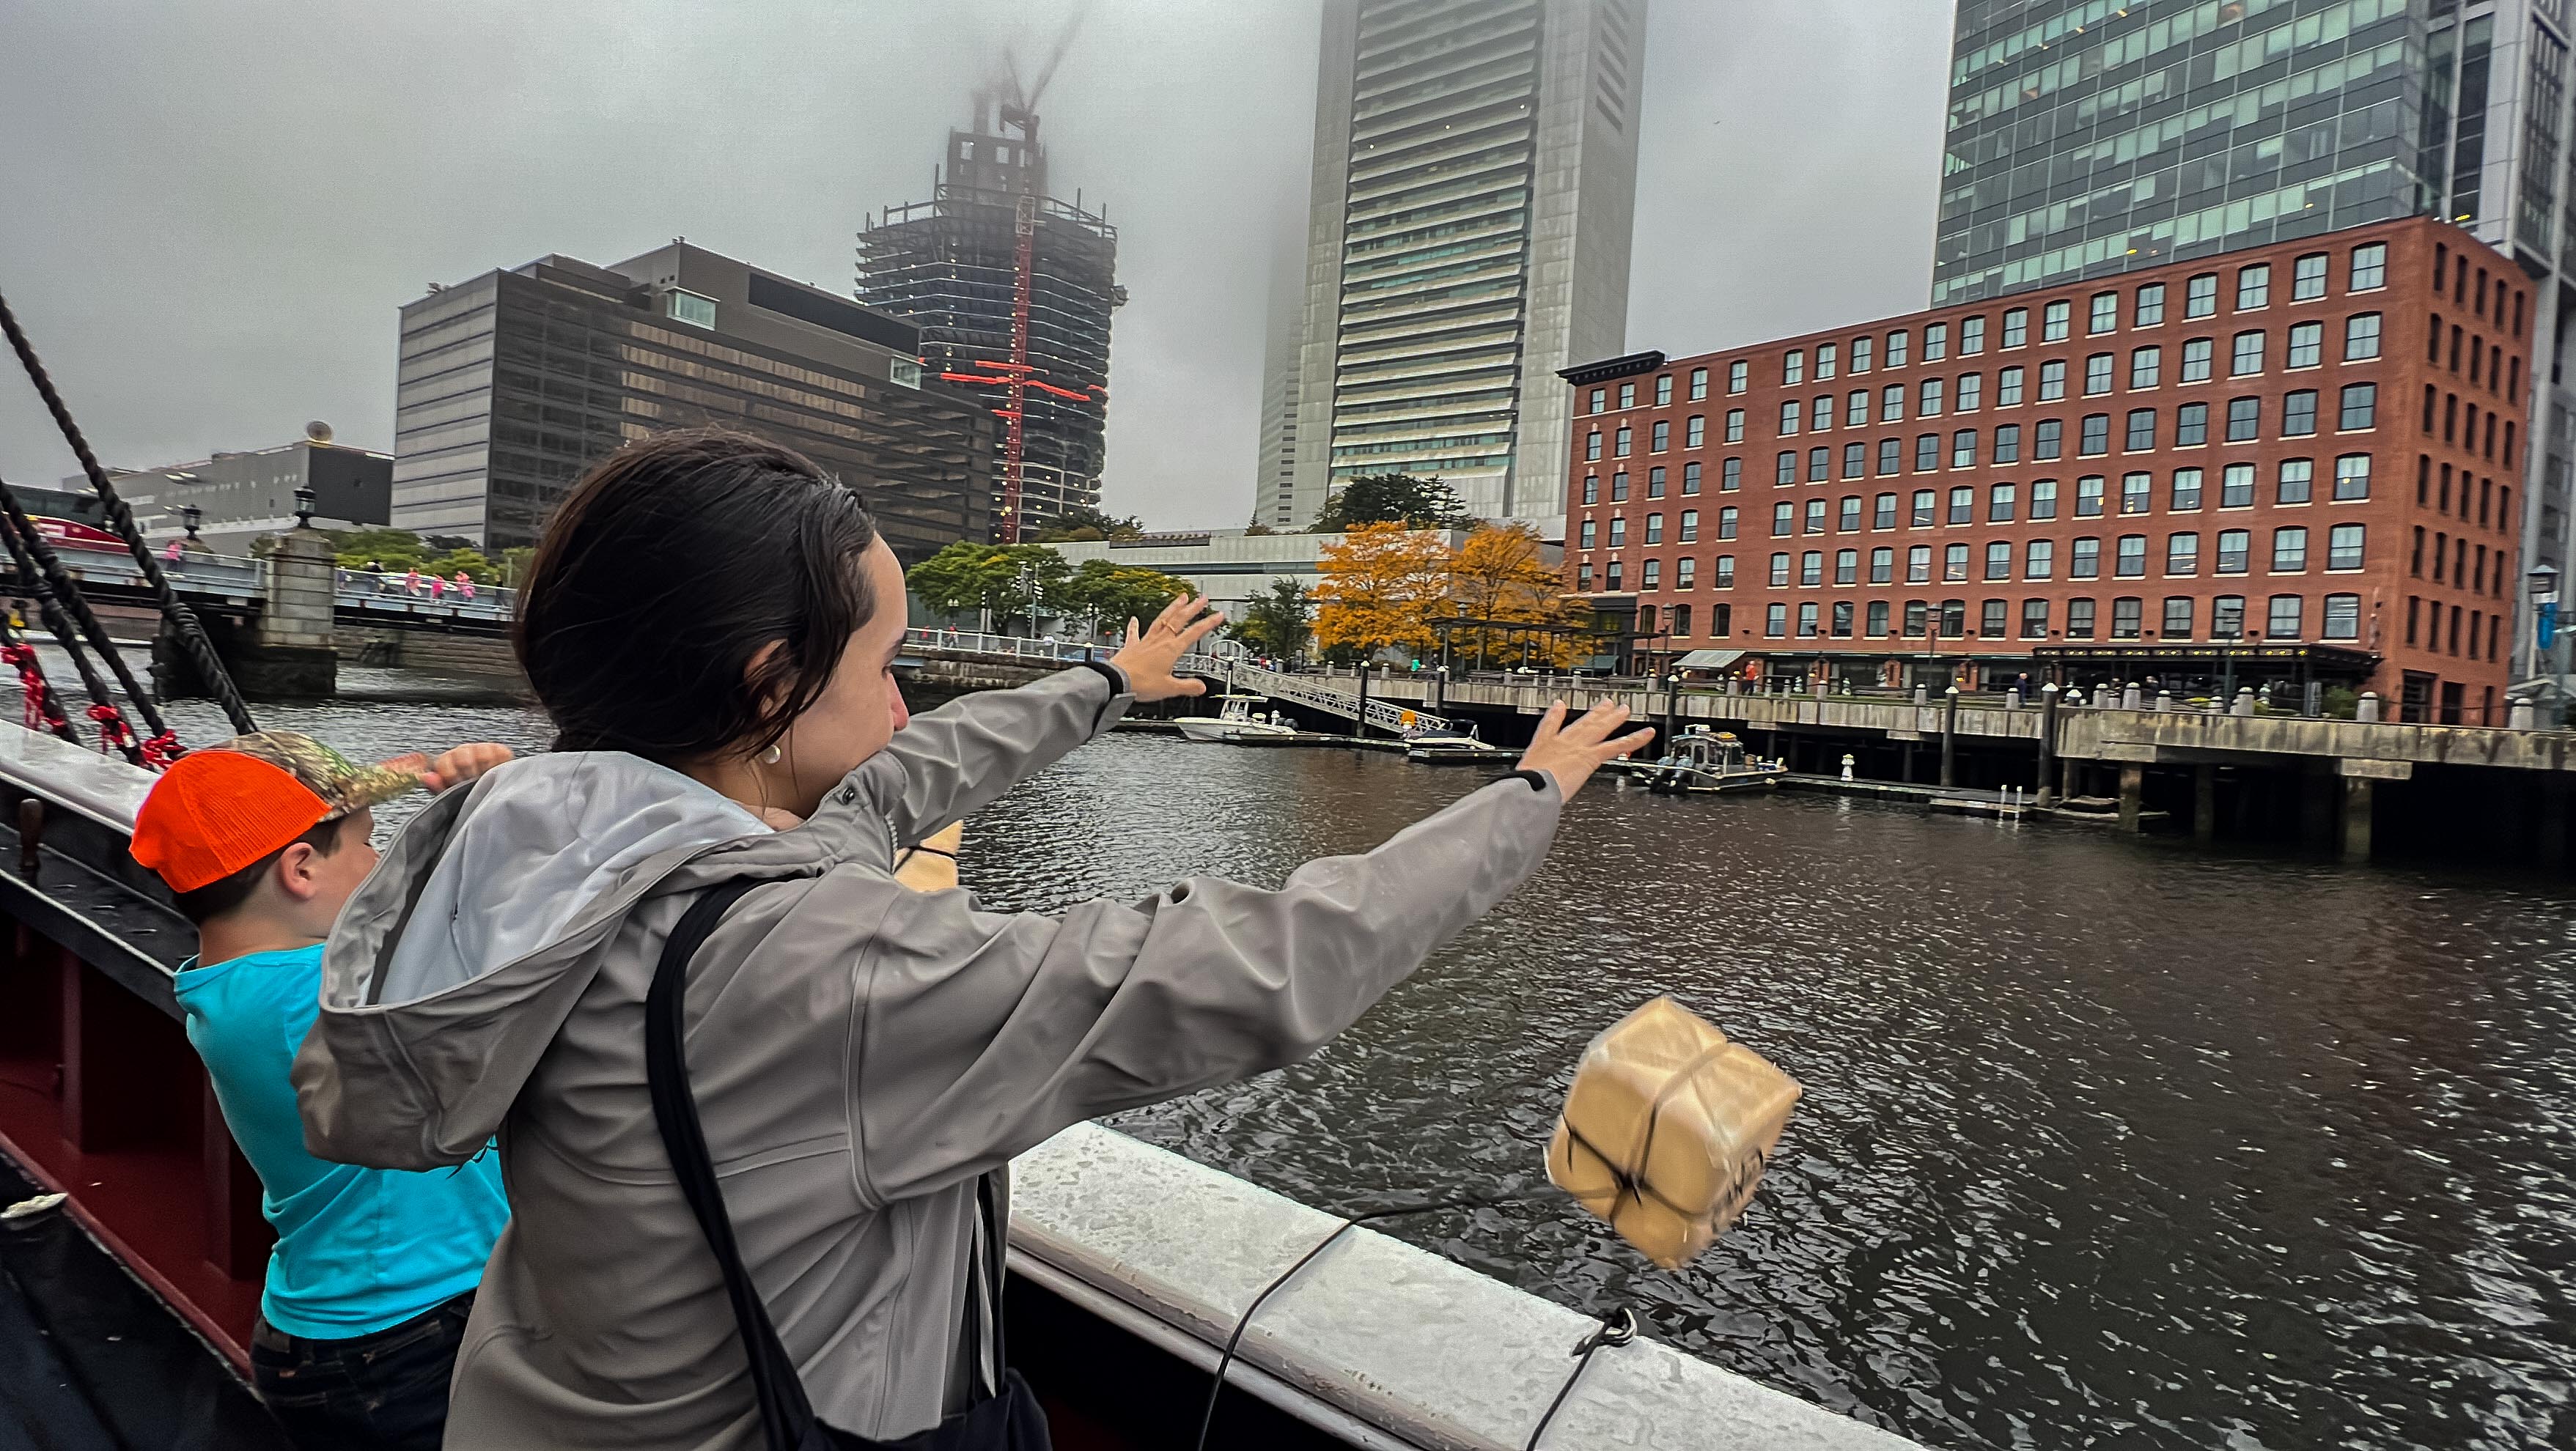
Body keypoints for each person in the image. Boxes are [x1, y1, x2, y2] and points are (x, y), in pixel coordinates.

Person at [291, 428, 1649, 1450]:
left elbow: (887, 783)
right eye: (885, 662)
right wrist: (1522, 804)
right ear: (771, 683)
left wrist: (1103, 684)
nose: (901, 700)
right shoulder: (814, 964)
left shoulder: (530, 839)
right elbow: (1244, 964)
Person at [128, 731, 517, 1451]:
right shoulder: (309, 997)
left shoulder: (235, 986)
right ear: (300, 869)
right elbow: (497, 943)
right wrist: (497, 815)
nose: (378, 864)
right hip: (404, 1341)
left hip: (354, 1328)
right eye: (367, 845)